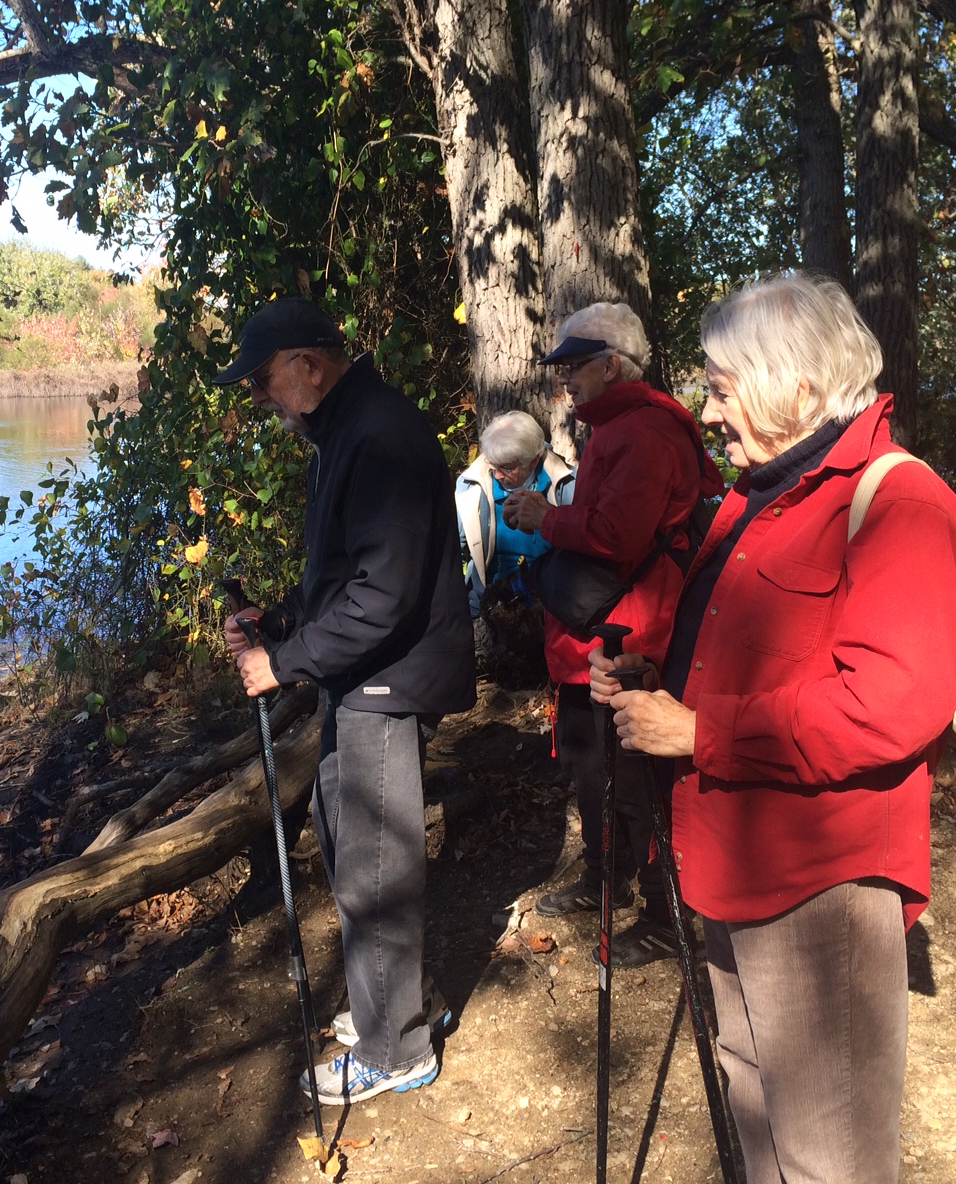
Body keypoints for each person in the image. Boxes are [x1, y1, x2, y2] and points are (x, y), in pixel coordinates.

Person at [594, 273, 956, 1183]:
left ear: (797, 386)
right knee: (754, 1100)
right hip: (732, 860)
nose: (708, 406)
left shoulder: (903, 503)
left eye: (723, 385)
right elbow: (756, 652)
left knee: (830, 1154)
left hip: (822, 884)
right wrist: (657, 684)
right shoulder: (769, 493)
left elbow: (888, 704)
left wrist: (699, 734)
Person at [214, 296, 475, 1104]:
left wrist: (282, 662)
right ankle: (387, 1006)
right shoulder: (342, 431)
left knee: (375, 863)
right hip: (359, 679)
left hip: (385, 684)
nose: (259, 398)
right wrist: (280, 618)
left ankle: (398, 1050)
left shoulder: (379, 434)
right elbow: (341, 578)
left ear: (308, 366)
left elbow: (383, 598)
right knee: (343, 837)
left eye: (262, 381)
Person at [504, 301, 722, 967]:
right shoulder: (620, 427)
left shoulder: (645, 432)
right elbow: (611, 521)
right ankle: (607, 882)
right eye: (561, 365)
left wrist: (547, 517)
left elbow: (618, 536)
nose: (563, 377)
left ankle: (662, 913)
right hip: (600, 630)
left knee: (632, 779)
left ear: (611, 363)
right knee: (592, 768)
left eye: (574, 364)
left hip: (633, 634)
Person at [454, 410, 575, 616]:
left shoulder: (566, 485)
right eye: (493, 466)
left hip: (552, 606)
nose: (498, 475)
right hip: (486, 606)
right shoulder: (472, 486)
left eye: (508, 468)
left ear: (534, 461)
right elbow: (454, 549)